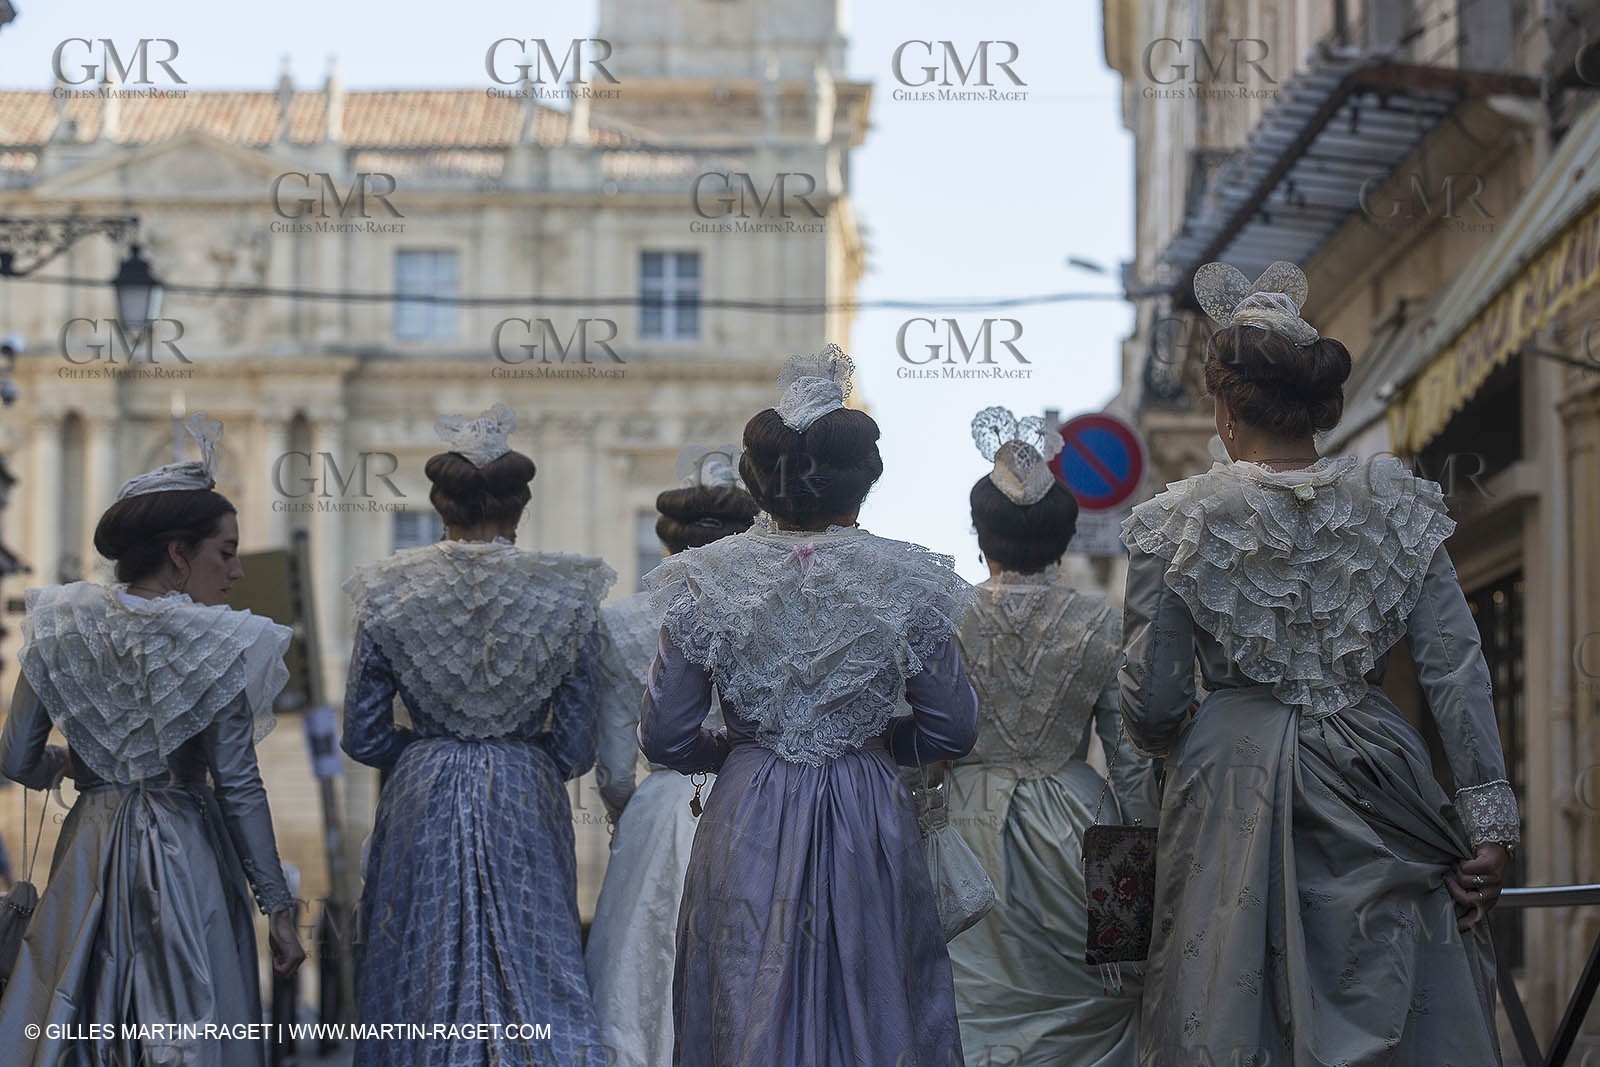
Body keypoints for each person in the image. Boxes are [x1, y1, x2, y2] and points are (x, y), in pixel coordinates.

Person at [1119, 262, 1519, 1064]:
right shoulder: (1398, 502)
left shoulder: (1178, 521)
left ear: (1227, 409)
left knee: (1234, 1012)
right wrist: (1490, 826)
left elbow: (1156, 705)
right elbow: (1455, 668)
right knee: (1396, 994)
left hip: (1229, 782)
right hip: (1380, 776)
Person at [639, 345, 980, 1067]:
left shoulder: (703, 579)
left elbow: (666, 735)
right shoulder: (912, 578)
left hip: (748, 808)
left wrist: (734, 748)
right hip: (868, 809)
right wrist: (875, 742)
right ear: (865, 481)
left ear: (758, 483)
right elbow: (953, 723)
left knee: (743, 998)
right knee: (876, 997)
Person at [0, 413, 306, 1067]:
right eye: (225, 551)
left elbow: (15, 758)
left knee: (78, 1009)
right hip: (184, 848)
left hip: (90, 842)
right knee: (188, 1027)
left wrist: (70, 761)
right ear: (178, 553)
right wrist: (277, 904)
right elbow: (239, 784)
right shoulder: (218, 643)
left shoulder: (59, 627)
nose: (236, 571)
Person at [341, 404, 615, 1067]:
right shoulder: (567, 593)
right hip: (525, 788)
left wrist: (426, 752)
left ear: (441, 505)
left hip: (423, 789)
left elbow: (363, 731)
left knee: (423, 957)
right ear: (519, 507)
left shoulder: (389, 591)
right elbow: (577, 745)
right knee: (532, 953)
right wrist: (519, 755)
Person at [946, 406, 1159, 1066]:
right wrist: (1150, 871)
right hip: (1085, 832)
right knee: (1103, 1002)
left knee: (969, 1013)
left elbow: (923, 746)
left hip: (965, 834)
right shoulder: (1102, 620)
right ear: (1063, 538)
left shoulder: (947, 615)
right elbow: (1129, 763)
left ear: (981, 536)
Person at [585, 445, 758, 1067]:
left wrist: (625, 814)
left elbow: (610, 764)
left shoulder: (622, 622)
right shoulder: (765, 617)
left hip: (662, 807)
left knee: (647, 967)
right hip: (755, 803)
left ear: (665, 543)